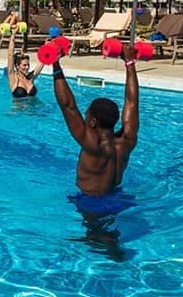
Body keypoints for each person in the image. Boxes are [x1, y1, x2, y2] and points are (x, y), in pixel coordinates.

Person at [51, 42, 139, 197]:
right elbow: (132, 102)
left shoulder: (92, 145)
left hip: (91, 203)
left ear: (93, 122)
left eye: (87, 114)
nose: (84, 114)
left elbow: (68, 106)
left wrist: (54, 62)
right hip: (117, 197)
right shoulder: (127, 140)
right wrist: (129, 63)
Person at [6, 24, 44, 98]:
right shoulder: (13, 78)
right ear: (17, 66)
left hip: (34, 109)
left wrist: (48, 47)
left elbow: (42, 61)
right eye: (24, 65)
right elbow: (10, 55)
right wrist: (13, 35)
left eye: (28, 65)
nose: (27, 67)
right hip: (19, 110)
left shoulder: (30, 78)